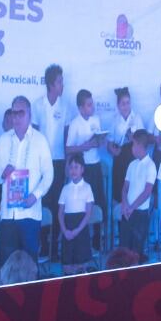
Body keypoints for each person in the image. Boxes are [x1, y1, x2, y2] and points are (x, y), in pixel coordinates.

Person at [0, 96, 54, 263]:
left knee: (30, 265)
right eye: (14, 113)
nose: (16, 117)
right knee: (8, 265)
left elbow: (49, 174)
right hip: (8, 214)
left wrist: (35, 195)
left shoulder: (40, 140)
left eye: (21, 113)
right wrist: (2, 174)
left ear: (29, 115)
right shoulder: (2, 141)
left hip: (30, 212)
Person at [32, 64, 74, 257]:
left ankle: (55, 247)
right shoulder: (37, 105)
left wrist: (67, 161)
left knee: (58, 204)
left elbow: (66, 136)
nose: (62, 84)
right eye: (59, 81)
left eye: (62, 81)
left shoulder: (65, 106)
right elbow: (32, 134)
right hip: (40, 163)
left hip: (58, 161)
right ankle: (42, 245)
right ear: (50, 84)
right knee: (42, 203)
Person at [65, 88, 108, 251]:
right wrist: (84, 146)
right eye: (89, 105)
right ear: (81, 108)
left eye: (92, 104)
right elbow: (68, 149)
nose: (92, 108)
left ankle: (98, 240)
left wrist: (101, 141)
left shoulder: (96, 119)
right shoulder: (75, 123)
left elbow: (100, 143)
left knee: (100, 203)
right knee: (83, 205)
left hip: (96, 165)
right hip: (82, 170)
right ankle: (83, 242)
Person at [118, 129, 157, 256]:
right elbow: (124, 188)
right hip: (127, 212)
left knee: (136, 252)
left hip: (140, 214)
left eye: (133, 144)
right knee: (124, 249)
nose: (132, 148)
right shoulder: (132, 164)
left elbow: (147, 192)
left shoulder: (150, 166)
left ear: (140, 145)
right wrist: (125, 205)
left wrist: (132, 207)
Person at [58, 156, 99, 273]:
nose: (73, 170)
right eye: (71, 168)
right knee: (67, 267)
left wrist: (77, 230)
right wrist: (65, 230)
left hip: (81, 229)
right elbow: (60, 213)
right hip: (67, 229)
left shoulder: (87, 188)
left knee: (81, 267)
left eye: (76, 167)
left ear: (82, 169)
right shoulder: (65, 189)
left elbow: (88, 213)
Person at [106, 87, 143, 206]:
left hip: (134, 160)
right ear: (118, 105)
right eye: (123, 104)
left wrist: (133, 139)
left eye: (128, 103)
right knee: (119, 196)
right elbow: (109, 143)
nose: (126, 106)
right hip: (119, 160)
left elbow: (144, 142)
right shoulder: (115, 120)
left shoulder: (137, 118)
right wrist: (113, 150)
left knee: (133, 194)